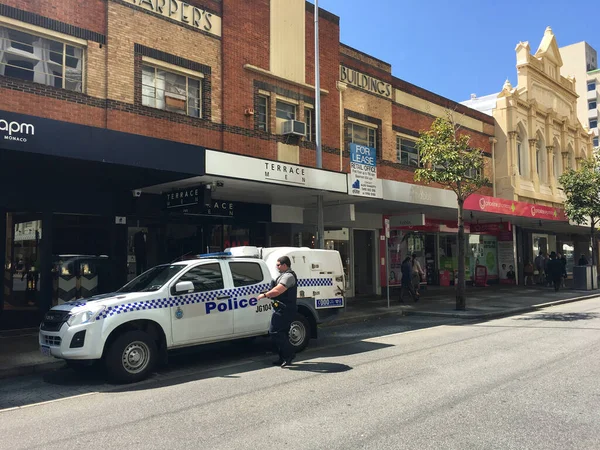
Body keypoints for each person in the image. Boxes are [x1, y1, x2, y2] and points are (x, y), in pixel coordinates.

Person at [257, 256, 298, 368]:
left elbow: (278, 290)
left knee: (275, 332)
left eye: (278, 264)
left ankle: (289, 355)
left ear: (285, 265)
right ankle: (283, 357)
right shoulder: (283, 275)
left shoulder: (288, 276)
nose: (277, 266)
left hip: (285, 309)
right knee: (282, 333)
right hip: (281, 308)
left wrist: (265, 295)